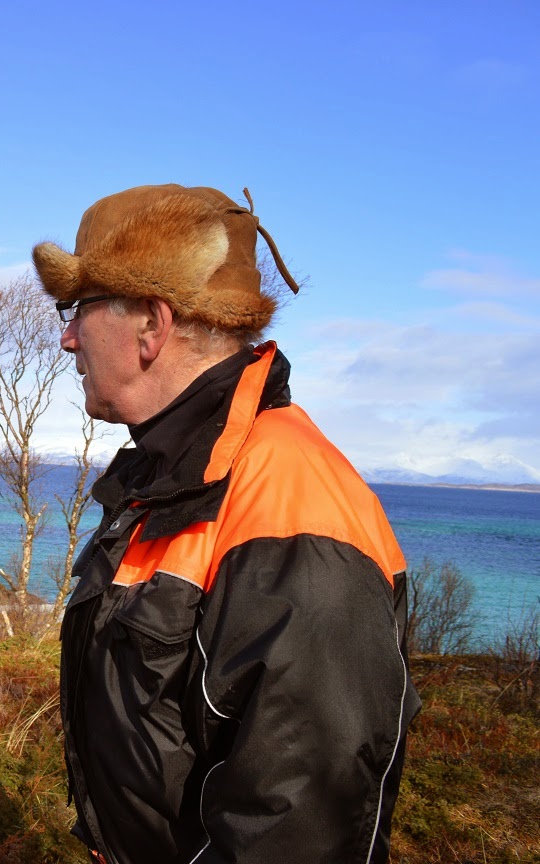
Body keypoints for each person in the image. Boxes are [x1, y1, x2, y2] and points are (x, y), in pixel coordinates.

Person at [31, 185, 419, 863]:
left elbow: (296, 831)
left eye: (78, 309)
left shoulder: (293, 505)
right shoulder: (175, 477)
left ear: (152, 323)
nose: (66, 338)